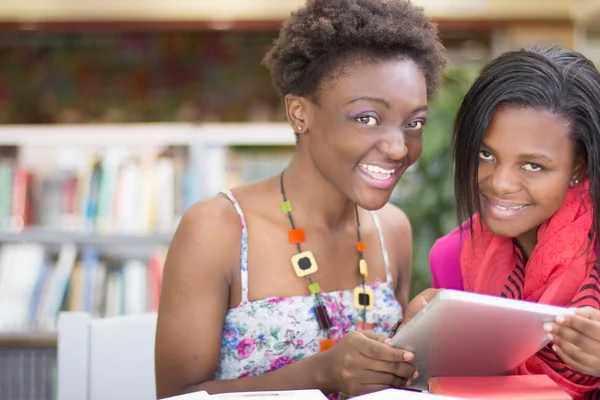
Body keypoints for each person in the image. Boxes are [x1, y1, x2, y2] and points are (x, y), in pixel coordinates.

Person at [154, 0, 446, 398]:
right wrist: (321, 373)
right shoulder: (217, 228)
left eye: (414, 123)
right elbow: (176, 395)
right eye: (367, 118)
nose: (399, 148)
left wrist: (410, 339)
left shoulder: (391, 227)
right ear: (299, 113)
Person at [422, 45, 600, 399]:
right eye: (485, 154)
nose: (500, 183)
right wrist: (422, 340)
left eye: (533, 165)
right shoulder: (451, 256)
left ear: (578, 165)